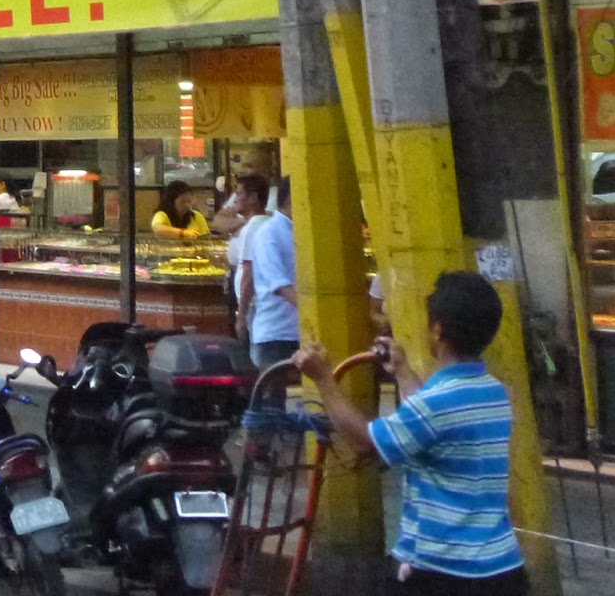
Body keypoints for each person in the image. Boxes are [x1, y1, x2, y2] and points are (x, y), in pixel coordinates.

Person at [294, 272, 528, 595]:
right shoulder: (493, 391)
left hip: (442, 572)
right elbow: (427, 422)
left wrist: (324, 381)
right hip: (501, 568)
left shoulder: (437, 403)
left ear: (437, 330)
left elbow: (366, 443)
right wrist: (402, 370)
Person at [239, 174, 298, 374]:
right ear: (292, 199)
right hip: (277, 335)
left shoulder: (300, 232)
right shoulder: (269, 233)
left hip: (299, 332)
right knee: (272, 400)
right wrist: (314, 309)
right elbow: (278, 284)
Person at [221, 174, 272, 327]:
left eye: (239, 194)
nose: (235, 199)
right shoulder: (266, 224)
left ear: (253, 198)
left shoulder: (253, 228)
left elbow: (249, 273)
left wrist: (241, 315)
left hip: (254, 306)